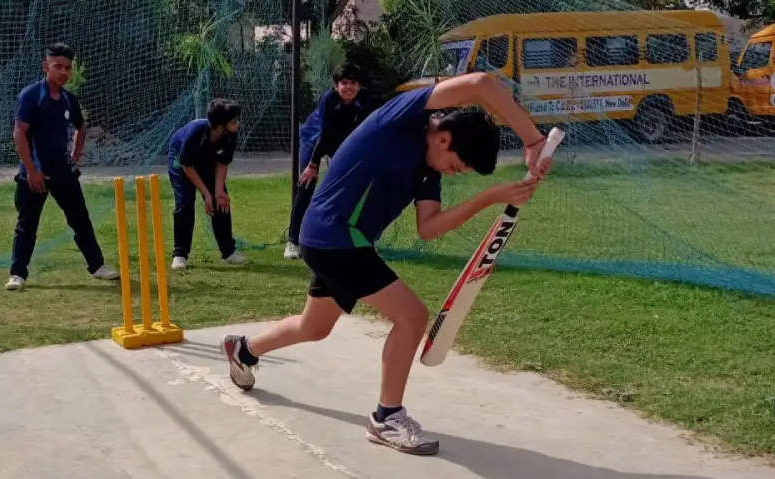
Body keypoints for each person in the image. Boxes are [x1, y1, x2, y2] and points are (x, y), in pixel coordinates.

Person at [220, 73, 553, 456]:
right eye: (456, 165)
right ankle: (387, 418)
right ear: (444, 138)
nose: (451, 172)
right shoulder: (402, 118)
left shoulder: (429, 168)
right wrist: (533, 140)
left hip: (338, 241)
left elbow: (429, 227)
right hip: (334, 237)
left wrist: (490, 197)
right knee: (412, 317)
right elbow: (480, 84)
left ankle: (244, 350)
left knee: (314, 327)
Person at [6, 42, 119, 291]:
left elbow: (81, 127)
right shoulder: (31, 95)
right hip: (34, 174)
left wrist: (75, 155)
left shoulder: (69, 99)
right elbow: (19, 133)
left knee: (80, 220)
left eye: (68, 67)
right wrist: (31, 171)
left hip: (63, 173)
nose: (63, 72)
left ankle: (97, 266)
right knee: (27, 225)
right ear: (45, 66)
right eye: (58, 66)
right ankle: (17, 274)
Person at [285, 63, 375, 260]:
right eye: (344, 82)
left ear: (359, 85)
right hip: (314, 140)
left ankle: (341, 238)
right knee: (306, 186)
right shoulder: (328, 99)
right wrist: (313, 165)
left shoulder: (365, 99)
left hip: (342, 142)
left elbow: (366, 130)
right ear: (336, 85)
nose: (349, 87)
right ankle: (293, 241)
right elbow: (324, 134)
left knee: (348, 189)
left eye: (353, 83)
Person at [167, 98, 248, 270]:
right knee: (185, 203)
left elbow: (222, 162)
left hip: (206, 159)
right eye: (234, 121)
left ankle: (228, 251)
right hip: (181, 160)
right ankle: (180, 254)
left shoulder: (230, 134)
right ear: (220, 126)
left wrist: (217, 192)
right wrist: (206, 194)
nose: (238, 124)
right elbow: (187, 166)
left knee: (221, 201)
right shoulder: (196, 132)